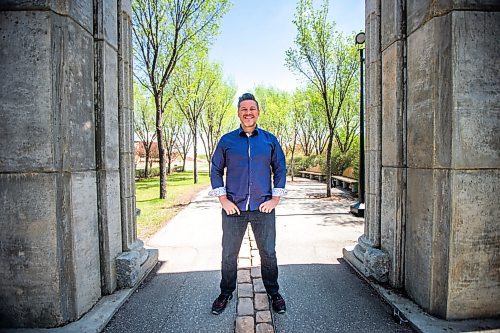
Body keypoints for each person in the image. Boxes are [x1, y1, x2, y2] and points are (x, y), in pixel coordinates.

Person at [209, 92, 287, 315]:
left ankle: (274, 293)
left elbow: (280, 168)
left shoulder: (270, 140)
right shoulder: (227, 141)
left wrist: (275, 199)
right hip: (234, 208)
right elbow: (215, 169)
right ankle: (225, 292)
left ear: (258, 112)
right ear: (238, 113)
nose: (248, 113)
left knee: (269, 254)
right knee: (228, 255)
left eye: (252, 109)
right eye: (244, 109)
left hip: (263, 208)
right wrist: (223, 199)